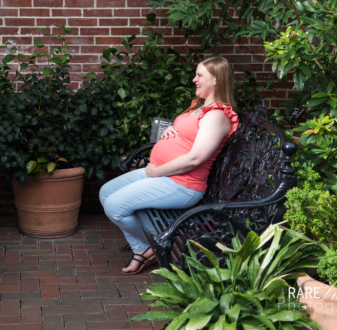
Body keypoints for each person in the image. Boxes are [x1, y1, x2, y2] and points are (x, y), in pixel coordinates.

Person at [100, 56, 240, 274]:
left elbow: (195, 158)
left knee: (114, 206)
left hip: (182, 183)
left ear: (216, 80)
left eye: (199, 75)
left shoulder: (217, 116)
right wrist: (170, 131)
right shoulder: (200, 107)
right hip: (166, 175)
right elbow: (187, 134)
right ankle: (147, 247)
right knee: (106, 192)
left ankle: (160, 247)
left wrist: (156, 171)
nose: (194, 79)